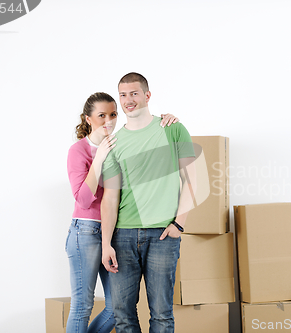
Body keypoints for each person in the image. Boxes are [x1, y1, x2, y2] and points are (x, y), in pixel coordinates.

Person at [66, 91, 179, 333]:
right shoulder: (79, 150)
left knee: (114, 307)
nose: (109, 120)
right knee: (83, 306)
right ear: (88, 119)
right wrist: (100, 158)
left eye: (113, 114)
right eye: (101, 115)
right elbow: (84, 200)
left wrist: (166, 120)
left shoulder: (121, 142)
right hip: (85, 232)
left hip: (116, 231)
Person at [101, 72, 196, 333]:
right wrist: (106, 243)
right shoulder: (115, 143)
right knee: (123, 316)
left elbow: (191, 181)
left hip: (163, 235)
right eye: (123, 95)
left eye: (134, 93)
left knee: (162, 315)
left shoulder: (172, 128)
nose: (128, 100)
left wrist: (179, 224)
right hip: (123, 236)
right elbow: (110, 197)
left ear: (147, 95)